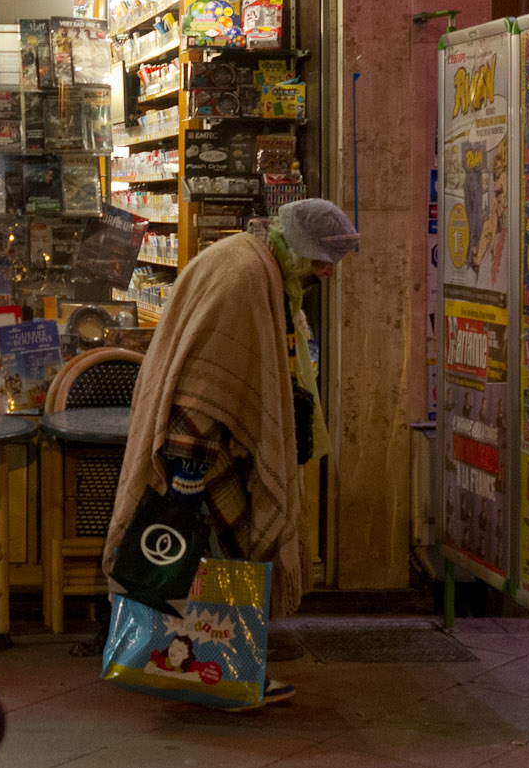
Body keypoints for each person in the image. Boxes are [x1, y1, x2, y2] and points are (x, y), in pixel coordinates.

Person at [101, 198, 359, 710]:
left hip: (208, 450)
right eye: (321, 260)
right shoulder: (246, 276)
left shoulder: (249, 260)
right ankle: (230, 675)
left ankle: (207, 671)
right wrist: (188, 477)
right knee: (223, 566)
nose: (326, 273)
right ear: (300, 248)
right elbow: (206, 382)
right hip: (205, 455)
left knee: (201, 570)